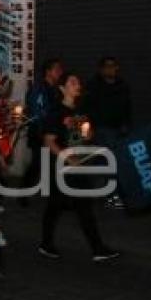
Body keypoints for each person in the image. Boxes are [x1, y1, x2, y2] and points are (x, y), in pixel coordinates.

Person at [37, 73, 119, 262]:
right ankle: (49, 244)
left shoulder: (79, 111)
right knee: (58, 207)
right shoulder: (56, 111)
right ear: (62, 88)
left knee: (76, 207)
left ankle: (95, 248)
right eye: (72, 82)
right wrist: (68, 158)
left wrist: (88, 133)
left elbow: (85, 136)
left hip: (78, 167)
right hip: (61, 168)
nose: (77, 85)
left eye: (78, 82)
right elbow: (49, 141)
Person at [83, 56, 131, 209]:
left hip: (117, 130)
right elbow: (87, 106)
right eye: (107, 66)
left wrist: (126, 124)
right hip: (101, 129)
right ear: (101, 69)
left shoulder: (122, 85)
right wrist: (91, 126)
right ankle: (110, 197)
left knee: (103, 162)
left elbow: (127, 107)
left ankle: (101, 194)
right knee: (108, 162)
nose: (110, 69)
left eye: (113, 66)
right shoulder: (94, 85)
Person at [19, 59, 64, 204]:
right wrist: (42, 129)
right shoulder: (39, 89)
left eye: (60, 69)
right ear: (48, 72)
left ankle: (54, 196)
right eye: (56, 69)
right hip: (40, 132)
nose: (59, 72)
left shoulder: (56, 89)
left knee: (51, 164)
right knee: (38, 164)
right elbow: (36, 111)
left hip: (51, 131)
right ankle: (23, 194)